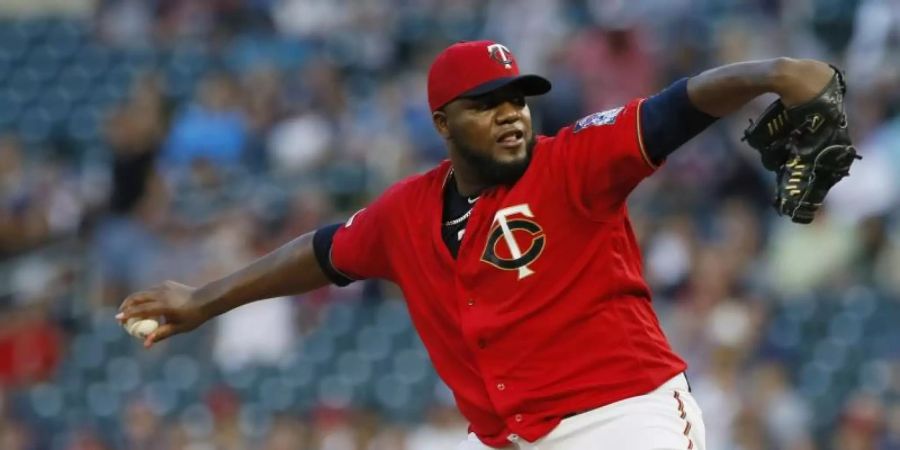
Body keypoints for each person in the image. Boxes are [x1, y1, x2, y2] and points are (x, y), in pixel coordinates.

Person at [117, 40, 843, 449]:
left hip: (623, 421)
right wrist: (203, 301)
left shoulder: (574, 163)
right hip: (504, 440)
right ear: (442, 123)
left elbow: (676, 106)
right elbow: (323, 251)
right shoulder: (405, 213)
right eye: (486, 105)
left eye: (516, 100)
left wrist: (773, 74)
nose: (509, 116)